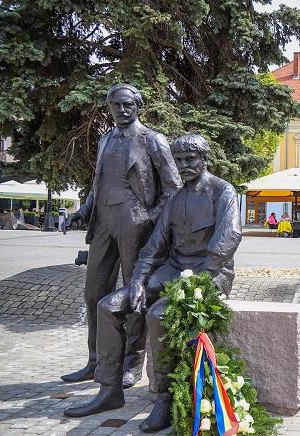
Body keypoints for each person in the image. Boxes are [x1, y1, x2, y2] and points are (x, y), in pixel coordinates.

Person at [63, 133, 241, 432]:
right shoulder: (176, 199)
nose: (184, 165)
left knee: (158, 315)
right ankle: (109, 390)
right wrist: (137, 282)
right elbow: (154, 246)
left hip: (210, 274)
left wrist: (197, 281)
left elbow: (229, 237)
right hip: (173, 269)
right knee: (109, 306)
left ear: (204, 159)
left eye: (190, 159)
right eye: (179, 160)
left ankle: (163, 400)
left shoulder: (221, 191)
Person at [62, 84, 181, 388]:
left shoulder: (152, 140)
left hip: (135, 225)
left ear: (138, 105)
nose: (122, 110)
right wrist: (84, 210)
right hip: (102, 224)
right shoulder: (105, 140)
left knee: (133, 295)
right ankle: (97, 362)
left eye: (128, 104)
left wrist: (148, 218)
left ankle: (132, 361)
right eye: (116, 105)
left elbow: (173, 189)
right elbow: (98, 183)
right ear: (109, 107)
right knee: (93, 294)